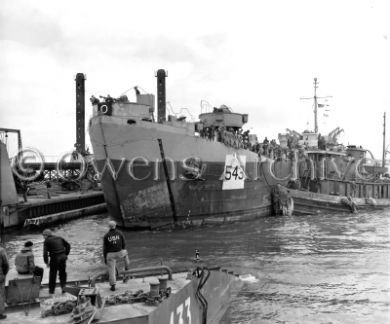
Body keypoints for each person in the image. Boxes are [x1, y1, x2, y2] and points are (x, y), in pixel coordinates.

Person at [103, 221, 130, 291]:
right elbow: (124, 244)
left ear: (109, 226)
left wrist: (105, 258)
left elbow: (105, 249)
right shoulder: (120, 233)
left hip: (110, 255)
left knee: (111, 270)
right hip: (120, 253)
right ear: (115, 226)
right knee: (126, 253)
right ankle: (127, 269)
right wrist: (122, 250)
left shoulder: (106, 235)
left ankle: (113, 285)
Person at [42, 229, 71, 294]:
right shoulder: (59, 238)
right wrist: (65, 254)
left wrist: (46, 262)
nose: (43, 237)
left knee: (53, 274)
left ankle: (51, 291)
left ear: (46, 235)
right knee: (62, 273)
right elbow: (68, 245)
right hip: (63, 258)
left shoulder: (46, 241)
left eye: (43, 235)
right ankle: (64, 289)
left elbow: (45, 253)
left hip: (55, 258)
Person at [0, 246, 9, 320]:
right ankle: (0, 314)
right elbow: (6, 264)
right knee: (1, 295)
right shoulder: (1, 250)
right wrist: (4, 274)